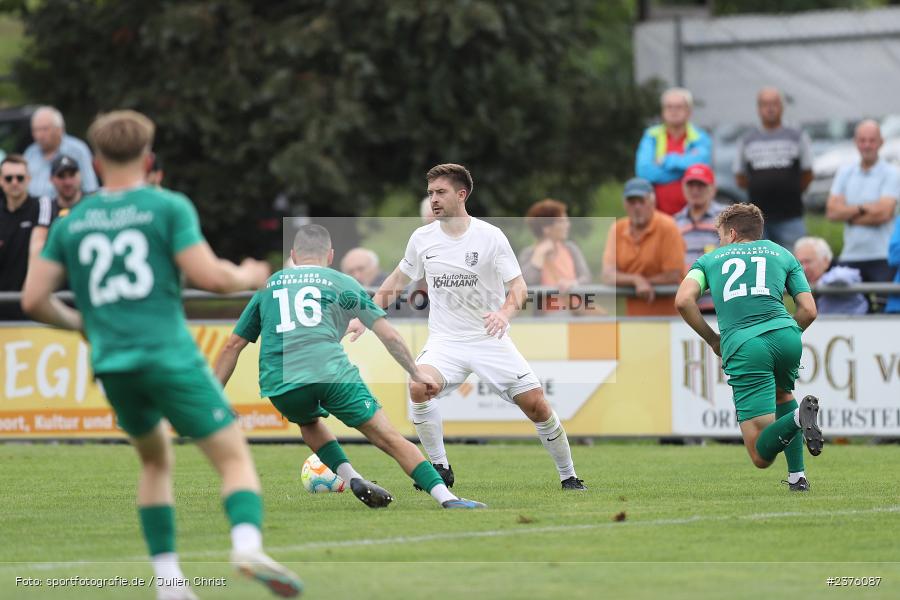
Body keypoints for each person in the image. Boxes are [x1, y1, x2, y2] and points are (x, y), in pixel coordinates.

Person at [21, 110, 302, 600]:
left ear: (97, 161)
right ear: (147, 157)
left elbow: (32, 300)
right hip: (168, 355)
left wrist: (80, 325)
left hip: (112, 364)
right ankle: (247, 546)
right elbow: (211, 277)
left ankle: (169, 582)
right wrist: (250, 273)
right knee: (233, 456)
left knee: (154, 463)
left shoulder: (74, 221)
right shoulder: (166, 207)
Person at [214, 224, 485, 510]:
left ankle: (350, 476)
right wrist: (417, 373)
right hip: (331, 373)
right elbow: (387, 334)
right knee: (388, 438)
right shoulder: (340, 281)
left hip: (281, 382)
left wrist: (213, 396)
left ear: (293, 255)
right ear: (330, 255)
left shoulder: (270, 285)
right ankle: (447, 498)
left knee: (308, 422)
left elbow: (233, 346)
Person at [350, 163, 586, 491]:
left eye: (440, 192)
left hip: (489, 339)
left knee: (537, 406)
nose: (433, 199)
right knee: (418, 385)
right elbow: (397, 281)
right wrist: (365, 314)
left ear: (461, 195)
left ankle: (569, 475)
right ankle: (440, 467)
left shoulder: (490, 237)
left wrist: (504, 313)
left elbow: (519, 288)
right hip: (446, 341)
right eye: (430, 193)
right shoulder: (422, 238)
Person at [674, 203, 822, 492]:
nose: (719, 241)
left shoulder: (710, 260)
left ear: (730, 233)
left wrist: (714, 340)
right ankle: (797, 477)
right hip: (786, 335)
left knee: (759, 455)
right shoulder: (782, 253)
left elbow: (683, 300)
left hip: (744, 344)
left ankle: (796, 419)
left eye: (720, 235)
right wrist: (788, 332)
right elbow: (809, 309)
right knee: (783, 394)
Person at [825, 120, 900, 298]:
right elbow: (832, 212)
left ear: (881, 142)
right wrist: (864, 208)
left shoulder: (892, 173)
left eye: (872, 140)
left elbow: (884, 213)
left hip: (882, 256)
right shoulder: (845, 172)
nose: (867, 145)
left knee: (884, 313)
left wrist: (848, 214)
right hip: (850, 255)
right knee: (847, 312)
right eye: (862, 140)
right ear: (855, 142)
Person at [734, 87, 814, 249]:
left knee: (794, 265)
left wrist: (789, 190)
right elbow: (740, 177)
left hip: (791, 216)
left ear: (782, 107)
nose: (770, 108)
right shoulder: (747, 140)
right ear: (758, 109)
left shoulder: (797, 136)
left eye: (774, 103)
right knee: (762, 268)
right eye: (765, 104)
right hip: (757, 220)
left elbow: (807, 173)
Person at [602, 177, 686, 316]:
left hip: (670, 319)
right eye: (632, 202)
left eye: (641, 201)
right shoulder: (617, 228)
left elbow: (673, 274)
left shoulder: (668, 226)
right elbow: (607, 275)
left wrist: (642, 282)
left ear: (652, 202)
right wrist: (636, 280)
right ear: (624, 204)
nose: (637, 207)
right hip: (634, 318)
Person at [635, 87, 712, 215]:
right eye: (669, 107)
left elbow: (701, 163)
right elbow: (643, 171)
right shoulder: (651, 135)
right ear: (662, 111)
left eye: (679, 107)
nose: (673, 111)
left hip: (693, 216)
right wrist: (683, 172)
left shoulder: (700, 137)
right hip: (656, 215)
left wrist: (666, 160)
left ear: (689, 111)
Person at [0, 154, 53, 320]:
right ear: (1, 181)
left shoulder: (41, 205)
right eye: (9, 178)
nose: (14, 182)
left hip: (29, 303)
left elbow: (38, 248)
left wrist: (29, 293)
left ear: (29, 179)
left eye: (20, 178)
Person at [518, 199, 591, 313]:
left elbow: (586, 277)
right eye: (562, 221)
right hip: (545, 323)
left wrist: (572, 284)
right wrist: (540, 254)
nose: (568, 225)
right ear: (546, 228)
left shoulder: (571, 249)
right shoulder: (529, 254)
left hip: (576, 316)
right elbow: (525, 284)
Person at [674, 164, 725, 311]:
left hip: (721, 306)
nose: (695, 190)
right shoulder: (674, 222)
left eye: (701, 185)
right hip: (685, 307)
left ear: (712, 189)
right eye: (691, 185)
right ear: (683, 188)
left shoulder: (726, 217)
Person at [23, 106, 99, 199]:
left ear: (59, 129)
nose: (39, 135)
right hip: (34, 210)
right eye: (36, 130)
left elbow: (90, 188)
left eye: (45, 129)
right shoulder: (30, 152)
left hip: (67, 210)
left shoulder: (77, 150)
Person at [28, 154, 85, 260]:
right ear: (51, 179)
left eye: (72, 175)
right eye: (61, 176)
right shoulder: (46, 207)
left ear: (80, 175)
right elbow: (37, 248)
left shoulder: (90, 203)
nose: (67, 182)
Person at [794, 236, 867, 315]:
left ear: (825, 261)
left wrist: (818, 284)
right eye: (800, 263)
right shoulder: (803, 281)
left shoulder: (839, 271)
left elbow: (842, 277)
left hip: (853, 324)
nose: (804, 268)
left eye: (808, 262)